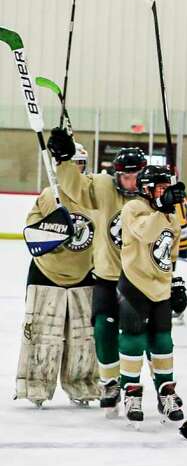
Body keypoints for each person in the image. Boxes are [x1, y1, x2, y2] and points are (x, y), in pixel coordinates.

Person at [14, 130, 100, 408]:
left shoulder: (95, 196)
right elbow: (33, 236)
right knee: (41, 334)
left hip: (84, 274)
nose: (76, 170)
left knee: (84, 338)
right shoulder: (49, 195)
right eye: (72, 163)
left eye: (81, 165)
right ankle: (35, 386)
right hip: (46, 273)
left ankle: (83, 385)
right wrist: (56, 227)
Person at [116, 164, 187, 426]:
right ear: (146, 189)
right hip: (134, 284)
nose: (165, 192)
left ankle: (166, 391)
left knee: (163, 342)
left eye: (167, 188)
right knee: (134, 340)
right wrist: (162, 209)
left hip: (160, 288)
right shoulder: (134, 208)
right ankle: (131, 393)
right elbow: (145, 233)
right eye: (160, 188)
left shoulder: (171, 217)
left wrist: (175, 282)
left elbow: (171, 255)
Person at [79, 144, 147, 414]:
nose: (130, 183)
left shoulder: (152, 198)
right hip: (107, 277)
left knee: (137, 335)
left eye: (136, 176)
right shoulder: (103, 189)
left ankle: (135, 387)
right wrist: (65, 160)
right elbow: (76, 183)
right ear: (116, 176)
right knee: (102, 330)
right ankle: (109, 383)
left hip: (139, 280)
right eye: (125, 177)